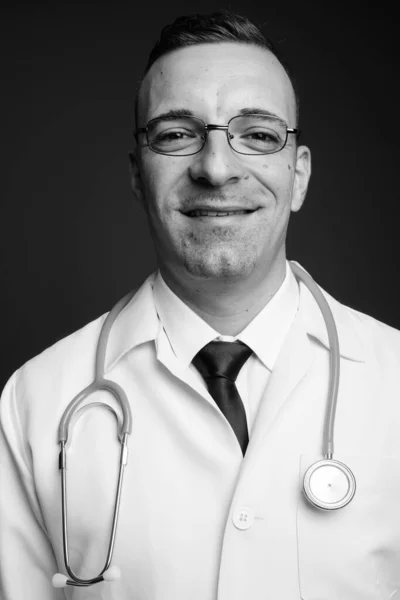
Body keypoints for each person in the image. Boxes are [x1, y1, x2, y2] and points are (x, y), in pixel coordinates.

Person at [1, 10, 400, 600]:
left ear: (299, 176)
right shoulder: (34, 402)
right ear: (139, 176)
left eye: (259, 135)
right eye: (176, 134)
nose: (216, 168)